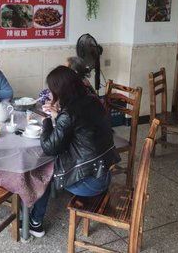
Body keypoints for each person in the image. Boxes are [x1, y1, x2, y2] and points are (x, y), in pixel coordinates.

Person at [28, 66, 120, 238]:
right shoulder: (93, 100)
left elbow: (49, 147)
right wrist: (60, 115)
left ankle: (35, 222)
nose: (51, 94)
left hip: (90, 183)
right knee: (51, 163)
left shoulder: (69, 113)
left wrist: (46, 121)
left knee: (44, 169)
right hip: (105, 173)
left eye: (52, 90)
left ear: (60, 91)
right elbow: (81, 129)